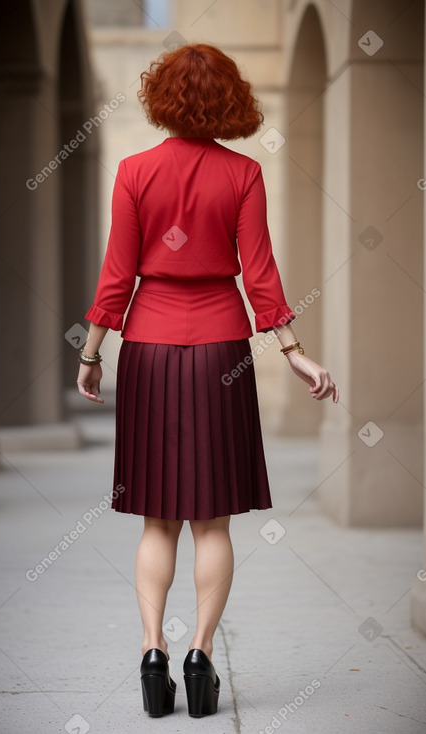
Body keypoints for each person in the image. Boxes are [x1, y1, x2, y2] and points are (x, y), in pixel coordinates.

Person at [77, 43, 339, 719]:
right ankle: (198, 654)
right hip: (221, 349)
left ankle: (149, 652)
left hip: (150, 349)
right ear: (230, 98)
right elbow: (260, 275)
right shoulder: (243, 174)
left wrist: (92, 351)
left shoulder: (135, 171)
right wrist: (294, 350)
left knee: (156, 521)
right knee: (211, 520)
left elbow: (117, 272)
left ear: (161, 96)